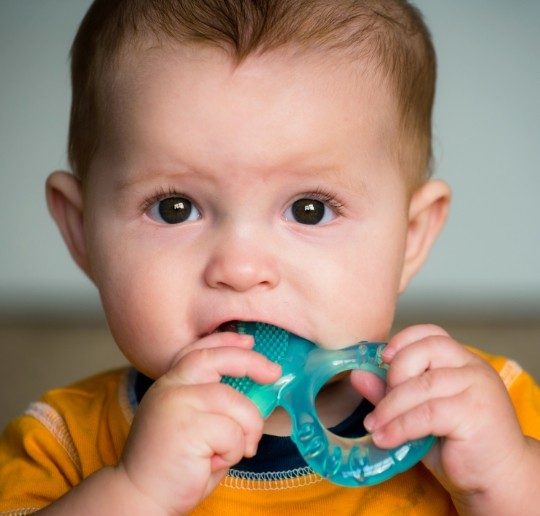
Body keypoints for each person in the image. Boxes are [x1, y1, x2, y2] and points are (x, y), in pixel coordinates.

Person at [1, 0, 539, 514]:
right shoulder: (63, 442)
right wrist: (135, 494)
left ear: (411, 235)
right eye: (174, 208)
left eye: (309, 210)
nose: (240, 268)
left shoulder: (485, 412)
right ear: (81, 232)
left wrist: (508, 479)